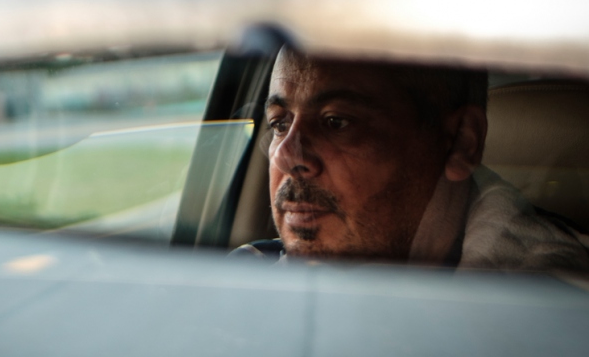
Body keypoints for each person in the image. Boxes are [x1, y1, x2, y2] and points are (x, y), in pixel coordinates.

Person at [232, 47, 589, 271]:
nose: (284, 154)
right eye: (280, 124)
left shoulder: (543, 312)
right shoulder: (253, 272)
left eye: (336, 122)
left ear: (460, 143)